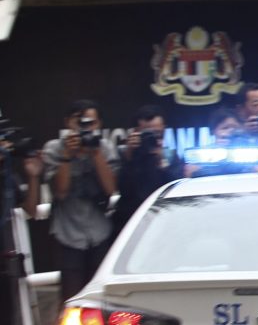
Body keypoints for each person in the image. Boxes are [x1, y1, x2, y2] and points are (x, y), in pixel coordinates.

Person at [41, 100, 119, 301]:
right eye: (80, 122)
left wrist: (95, 153)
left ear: (99, 124)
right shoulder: (54, 149)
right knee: (72, 298)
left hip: (100, 231)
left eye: (90, 123)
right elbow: (60, 192)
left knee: (103, 297)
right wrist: (67, 156)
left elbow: (111, 189)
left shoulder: (104, 148)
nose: (86, 128)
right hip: (67, 233)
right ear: (68, 122)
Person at [0, 121, 41, 325]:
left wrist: (33, 175)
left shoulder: (6, 172)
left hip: (3, 255)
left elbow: (30, 209)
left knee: (5, 322)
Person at [111, 105, 184, 237]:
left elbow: (176, 190)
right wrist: (129, 157)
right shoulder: (125, 154)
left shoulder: (170, 156)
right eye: (147, 133)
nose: (154, 137)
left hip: (164, 222)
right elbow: (119, 189)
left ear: (164, 130)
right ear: (135, 132)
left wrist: (162, 161)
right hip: (131, 223)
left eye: (158, 133)